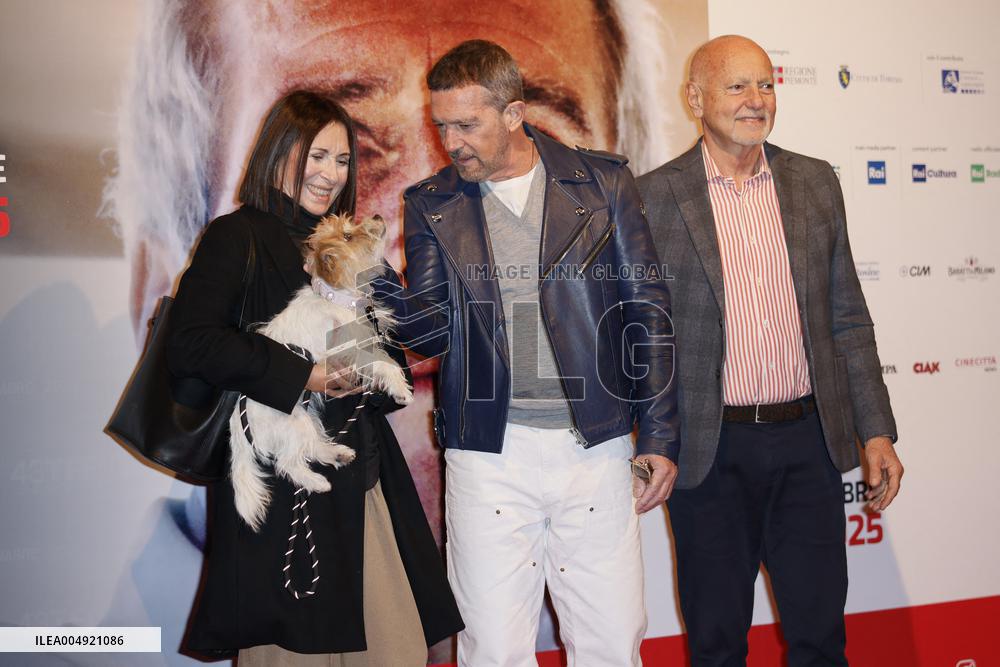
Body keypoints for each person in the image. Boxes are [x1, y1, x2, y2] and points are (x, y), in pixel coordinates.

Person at [386, 40, 679, 666]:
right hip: (488, 453)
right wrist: (375, 286)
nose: (452, 141)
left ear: (514, 112)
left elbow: (646, 314)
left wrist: (657, 435)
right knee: (491, 650)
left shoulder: (602, 184)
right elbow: (430, 333)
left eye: (468, 124)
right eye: (442, 126)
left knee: (611, 643)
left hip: (594, 447)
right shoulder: (431, 204)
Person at [164, 90, 463, 665]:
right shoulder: (237, 237)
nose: (330, 174)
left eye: (342, 159)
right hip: (282, 487)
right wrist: (308, 375)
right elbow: (192, 343)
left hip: (363, 479)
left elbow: (396, 350)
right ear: (278, 151)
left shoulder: (346, 244)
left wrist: (367, 365)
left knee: (394, 649)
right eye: (316, 156)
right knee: (290, 654)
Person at [636, 35, 904, 665]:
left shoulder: (813, 182)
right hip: (709, 450)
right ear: (696, 98)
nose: (756, 101)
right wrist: (652, 437)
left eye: (766, 85)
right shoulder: (653, 197)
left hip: (808, 444)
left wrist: (876, 431)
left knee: (820, 638)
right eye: (737, 86)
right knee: (717, 642)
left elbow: (848, 317)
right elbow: (642, 332)